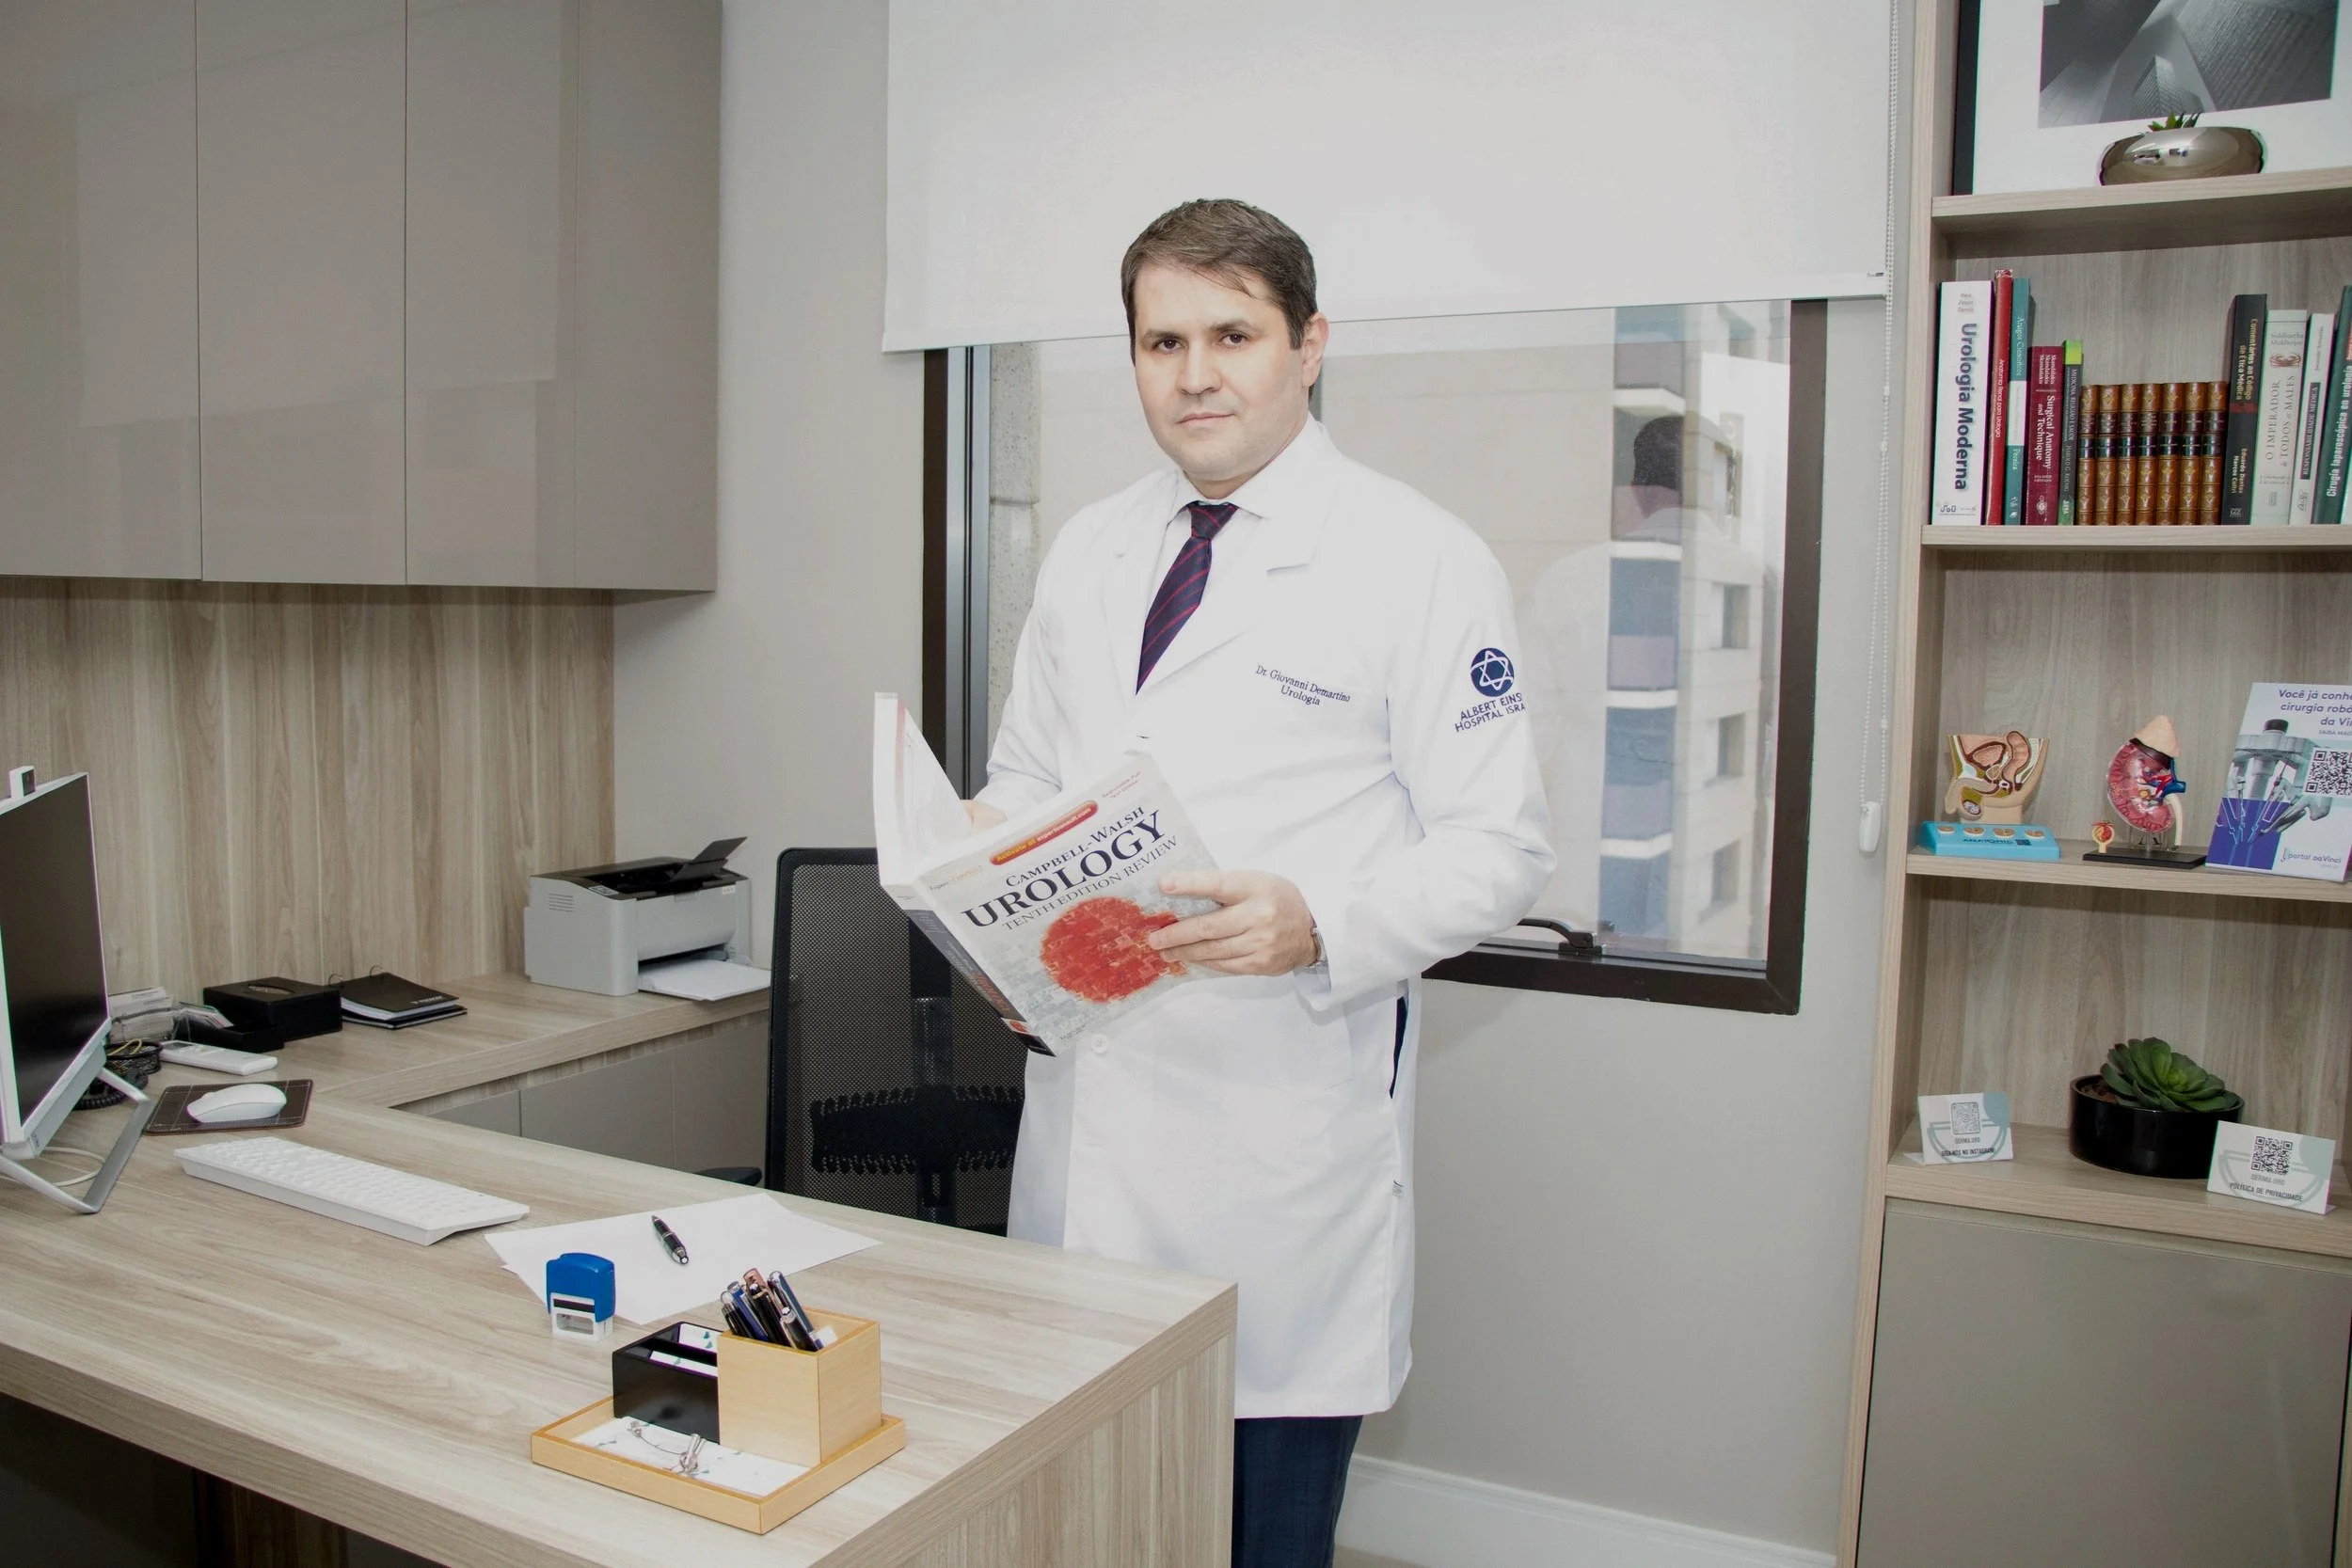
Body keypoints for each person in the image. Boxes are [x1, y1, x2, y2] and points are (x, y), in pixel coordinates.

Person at [967, 199, 1553, 1568]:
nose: (1195, 372)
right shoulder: (1094, 548)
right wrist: (1003, 929)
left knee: (1255, 1541)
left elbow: (1502, 846)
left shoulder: (1418, 558)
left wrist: (1320, 924)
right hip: (1088, 1126)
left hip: (1276, 1153)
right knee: (1084, 1526)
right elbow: (1020, 780)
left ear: (1310, 346)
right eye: (1162, 339)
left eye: (1233, 333)